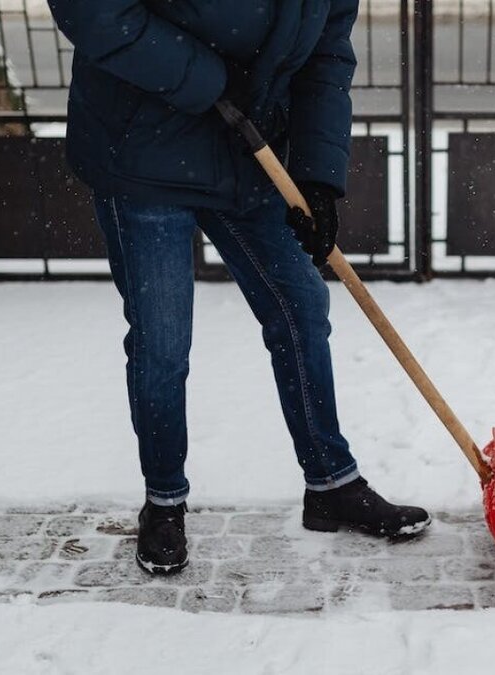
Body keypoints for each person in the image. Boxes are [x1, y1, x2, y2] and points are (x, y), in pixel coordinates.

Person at [48, 0, 430, 575]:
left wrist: (317, 175)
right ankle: (164, 501)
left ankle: (330, 483)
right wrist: (207, 80)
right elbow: (96, 11)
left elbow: (326, 54)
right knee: (163, 341)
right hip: (145, 153)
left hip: (245, 151)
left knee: (300, 306)